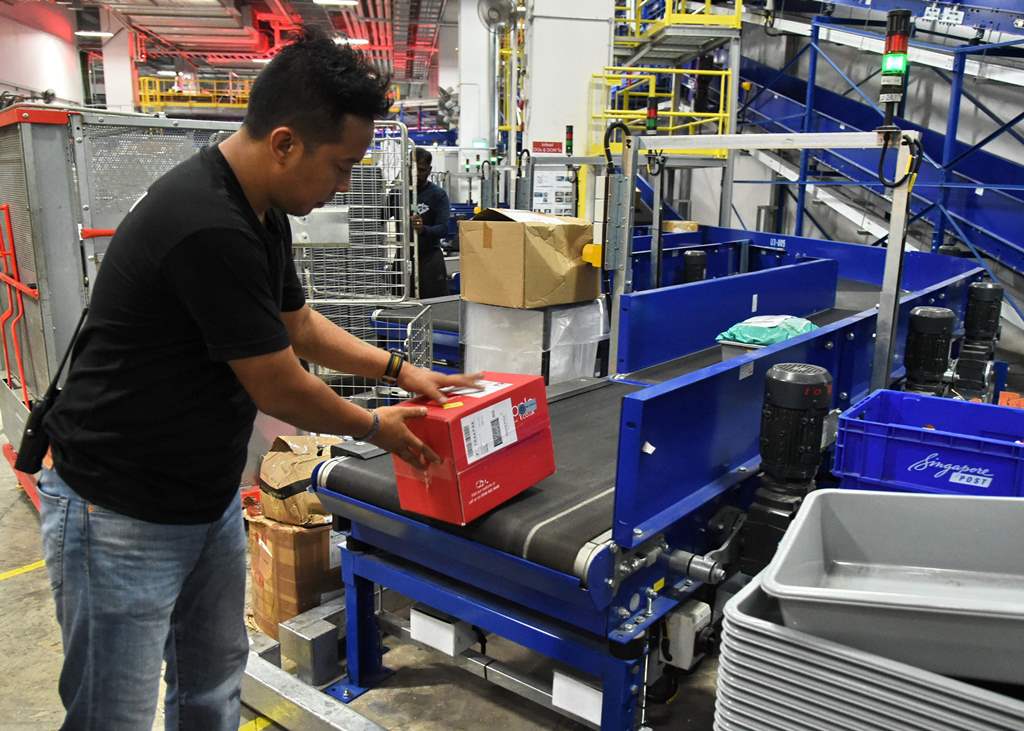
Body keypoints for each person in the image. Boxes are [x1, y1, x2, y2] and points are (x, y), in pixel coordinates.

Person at [38, 32, 479, 731]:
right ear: (283, 143)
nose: (343, 185)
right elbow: (279, 385)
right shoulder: (207, 223)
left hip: (201, 501)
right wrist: (376, 427)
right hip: (117, 511)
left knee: (211, 687)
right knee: (109, 716)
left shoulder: (260, 210)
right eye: (340, 167)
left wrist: (401, 369)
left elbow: (299, 325)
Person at [411, 147, 451, 298]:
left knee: (433, 307)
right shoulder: (398, 193)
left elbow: (444, 228)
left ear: (429, 170)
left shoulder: (437, 195)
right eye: (412, 169)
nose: (416, 174)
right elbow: (381, 216)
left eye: (421, 170)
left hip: (429, 260)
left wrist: (424, 230)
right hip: (403, 259)